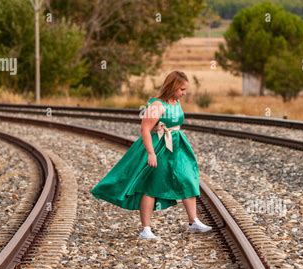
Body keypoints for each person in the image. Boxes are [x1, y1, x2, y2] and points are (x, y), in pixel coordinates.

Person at [91, 70, 212, 240]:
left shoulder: (176, 102)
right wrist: (151, 153)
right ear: (172, 87)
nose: (184, 93)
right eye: (182, 89)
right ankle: (145, 229)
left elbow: (175, 123)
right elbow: (145, 129)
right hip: (159, 146)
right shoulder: (157, 105)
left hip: (177, 145)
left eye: (185, 90)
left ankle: (194, 222)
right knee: (151, 184)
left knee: (187, 178)